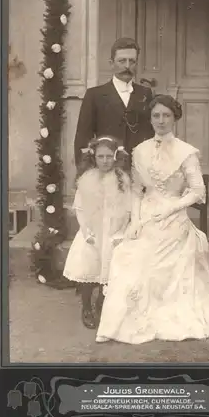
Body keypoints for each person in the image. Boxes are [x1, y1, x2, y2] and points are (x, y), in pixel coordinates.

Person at [96, 95, 209, 344]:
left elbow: (198, 191)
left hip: (174, 216)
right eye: (156, 115)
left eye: (166, 115)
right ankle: (116, 323)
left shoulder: (186, 152)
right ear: (150, 118)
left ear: (175, 118)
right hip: (145, 214)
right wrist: (134, 220)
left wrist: (170, 209)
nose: (161, 120)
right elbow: (135, 190)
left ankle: (156, 316)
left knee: (151, 257)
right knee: (126, 253)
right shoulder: (140, 150)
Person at [63, 136, 131, 329]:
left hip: (113, 231)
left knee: (109, 268)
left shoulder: (121, 179)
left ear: (116, 157)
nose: (105, 161)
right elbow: (80, 209)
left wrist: (120, 232)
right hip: (91, 232)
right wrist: (86, 232)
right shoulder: (87, 179)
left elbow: (127, 209)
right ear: (94, 157)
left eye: (109, 156)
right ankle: (86, 306)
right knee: (88, 265)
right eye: (100, 156)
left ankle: (101, 303)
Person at [74, 37, 154, 169]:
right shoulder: (95, 95)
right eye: (122, 61)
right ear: (111, 63)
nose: (127, 66)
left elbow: (151, 135)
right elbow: (83, 139)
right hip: (106, 170)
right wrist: (86, 173)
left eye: (132, 61)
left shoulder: (145, 94)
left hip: (139, 170)